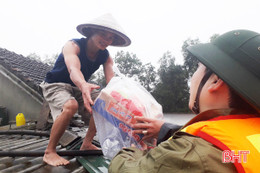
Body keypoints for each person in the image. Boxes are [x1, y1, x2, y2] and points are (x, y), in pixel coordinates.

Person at [109, 29, 260, 173]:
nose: (193, 77)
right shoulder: (247, 138)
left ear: (215, 81)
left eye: (198, 67)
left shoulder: (193, 154)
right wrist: (165, 129)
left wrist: (126, 153)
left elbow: (125, 169)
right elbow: (234, 153)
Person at [40, 13, 131, 166]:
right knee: (71, 106)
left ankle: (87, 143)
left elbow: (111, 80)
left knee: (102, 103)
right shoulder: (73, 45)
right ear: (91, 32)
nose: (106, 40)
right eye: (103, 34)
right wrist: (83, 84)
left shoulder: (105, 56)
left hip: (78, 85)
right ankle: (49, 152)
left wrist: (119, 96)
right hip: (56, 84)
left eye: (110, 38)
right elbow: (73, 68)